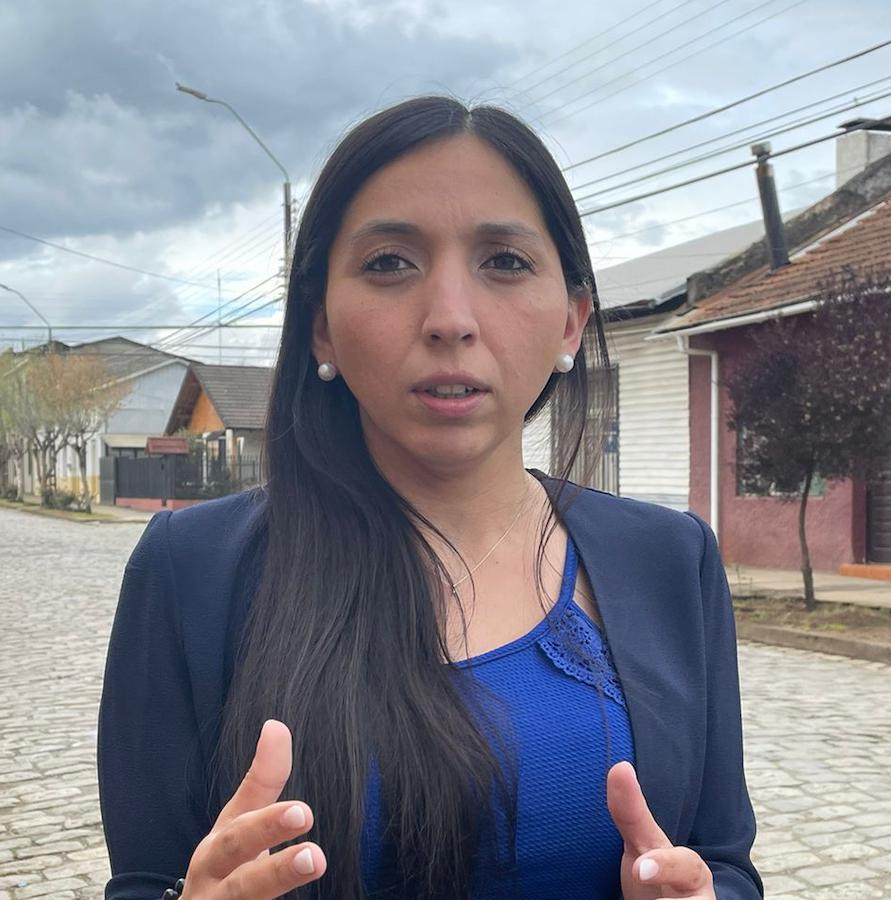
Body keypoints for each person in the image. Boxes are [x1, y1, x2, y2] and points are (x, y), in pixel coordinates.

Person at [97, 95, 763, 900]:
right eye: (389, 263)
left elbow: (724, 860)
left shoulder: (670, 558)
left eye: (504, 262)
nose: (450, 319)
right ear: (319, 326)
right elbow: (147, 879)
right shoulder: (191, 570)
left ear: (570, 320)